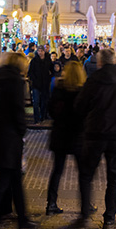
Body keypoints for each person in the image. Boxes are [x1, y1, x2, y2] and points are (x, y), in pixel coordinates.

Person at [75, 48, 116, 229]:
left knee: (87, 175)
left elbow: (79, 107)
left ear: (99, 63)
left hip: (95, 134)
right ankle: (109, 219)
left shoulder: (92, 82)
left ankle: (86, 217)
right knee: (114, 177)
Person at [0, 52, 38, 229]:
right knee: (2, 182)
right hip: (9, 138)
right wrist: (22, 131)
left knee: (13, 180)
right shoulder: (15, 82)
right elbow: (18, 112)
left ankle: (23, 219)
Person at [45, 61, 87, 215]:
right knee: (83, 173)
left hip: (60, 134)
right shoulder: (82, 91)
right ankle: (85, 205)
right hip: (77, 135)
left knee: (57, 170)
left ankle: (51, 203)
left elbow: (51, 110)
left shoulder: (58, 88)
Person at [28, 46, 53, 124]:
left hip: (45, 84)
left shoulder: (48, 60)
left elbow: (51, 70)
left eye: (42, 51)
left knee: (43, 102)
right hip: (36, 84)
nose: (40, 52)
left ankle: (42, 117)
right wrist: (34, 79)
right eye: (39, 51)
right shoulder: (34, 61)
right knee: (36, 102)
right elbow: (30, 72)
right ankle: (36, 118)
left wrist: (49, 77)